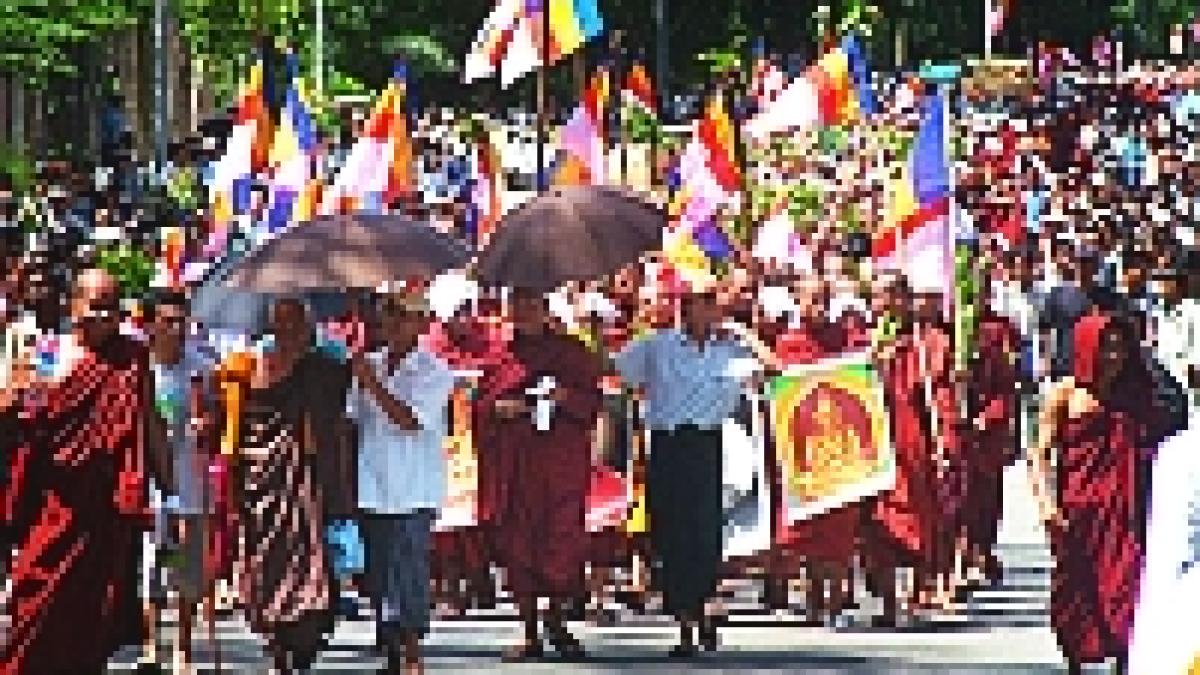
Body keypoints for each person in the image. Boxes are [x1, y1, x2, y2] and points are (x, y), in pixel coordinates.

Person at [2, 268, 155, 674]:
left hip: (103, 509)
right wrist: (18, 400)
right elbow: (18, 420)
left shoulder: (133, 360)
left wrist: (167, 491)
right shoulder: (48, 354)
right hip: (53, 502)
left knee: (92, 612)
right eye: (96, 306)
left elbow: (147, 425)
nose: (105, 316)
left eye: (112, 307)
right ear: (74, 307)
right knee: (33, 594)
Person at [615, 287, 752, 656]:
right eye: (702, 303)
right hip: (668, 443)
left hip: (705, 444)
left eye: (714, 303)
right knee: (670, 529)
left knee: (704, 528)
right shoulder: (656, 346)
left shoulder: (730, 351)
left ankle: (700, 606)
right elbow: (619, 372)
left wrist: (744, 334)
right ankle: (685, 618)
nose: (711, 310)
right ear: (685, 308)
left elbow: (769, 370)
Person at [1031, 312, 1162, 675]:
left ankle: (1125, 661)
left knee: (1126, 587)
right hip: (1078, 511)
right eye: (1105, 349)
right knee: (1076, 591)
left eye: (1120, 350)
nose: (1113, 359)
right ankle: (1077, 660)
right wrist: (1046, 504)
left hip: (1125, 511)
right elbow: (1039, 454)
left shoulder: (1135, 396)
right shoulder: (1064, 395)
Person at [478, 287, 603, 660]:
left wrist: (566, 398)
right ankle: (529, 629)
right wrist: (501, 410)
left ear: (544, 308)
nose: (524, 311)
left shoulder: (570, 352)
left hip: (561, 462)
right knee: (519, 544)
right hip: (517, 465)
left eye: (531, 304)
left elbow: (593, 402)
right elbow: (482, 406)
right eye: (517, 305)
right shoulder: (501, 356)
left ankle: (558, 619)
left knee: (562, 539)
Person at [346, 292, 455, 675]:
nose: (392, 324)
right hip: (373, 483)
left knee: (408, 570)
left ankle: (412, 651)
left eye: (401, 316)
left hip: (414, 488)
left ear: (420, 324)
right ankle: (391, 649)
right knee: (377, 572)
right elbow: (354, 421)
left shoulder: (435, 371)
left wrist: (371, 384)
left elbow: (408, 420)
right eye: (387, 315)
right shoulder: (369, 363)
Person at [229, 297, 337, 672]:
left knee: (306, 556)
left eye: (297, 325)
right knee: (264, 560)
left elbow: (337, 422)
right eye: (282, 325)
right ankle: (274, 639)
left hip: (303, 480)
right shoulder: (248, 368)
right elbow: (236, 426)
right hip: (259, 480)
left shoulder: (322, 368)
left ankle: (304, 640)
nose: (290, 333)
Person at [145, 288, 219, 672]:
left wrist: (208, 422)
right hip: (148, 484)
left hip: (191, 482)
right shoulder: (138, 370)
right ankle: (151, 642)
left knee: (186, 566)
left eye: (181, 321)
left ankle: (183, 647)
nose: (176, 329)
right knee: (152, 563)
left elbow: (221, 417)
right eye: (168, 321)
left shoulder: (202, 368)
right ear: (151, 325)